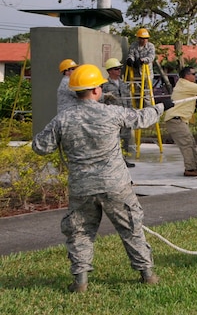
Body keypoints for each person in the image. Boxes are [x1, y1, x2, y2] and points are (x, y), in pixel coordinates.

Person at [31, 63, 164, 293]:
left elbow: (40, 146)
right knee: (131, 228)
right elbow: (141, 118)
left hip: (81, 188)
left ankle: (81, 282)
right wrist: (162, 107)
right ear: (95, 90)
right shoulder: (111, 113)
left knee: (79, 232)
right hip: (116, 185)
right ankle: (148, 275)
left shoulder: (62, 119)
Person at [101, 57, 136, 166]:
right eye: (116, 69)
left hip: (125, 115)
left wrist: (131, 113)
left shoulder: (123, 84)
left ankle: (123, 159)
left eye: (119, 68)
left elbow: (128, 99)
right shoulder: (105, 85)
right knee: (114, 139)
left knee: (125, 138)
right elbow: (101, 101)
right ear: (110, 71)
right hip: (113, 117)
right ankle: (114, 161)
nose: (119, 71)